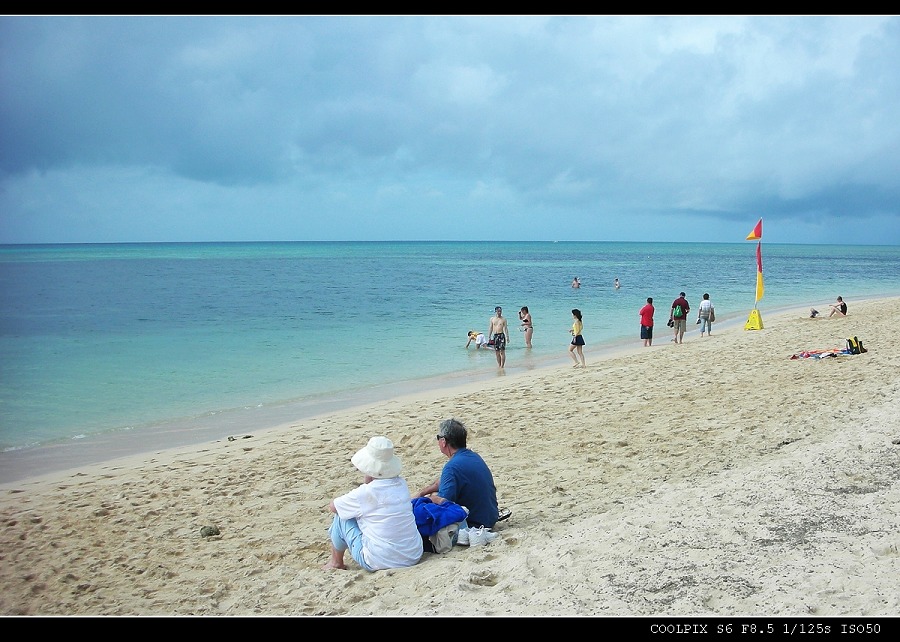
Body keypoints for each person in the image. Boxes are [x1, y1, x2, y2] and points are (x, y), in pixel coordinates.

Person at [324, 436, 424, 572]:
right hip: (413, 555)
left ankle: (336, 562)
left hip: (379, 560)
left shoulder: (366, 492)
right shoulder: (401, 484)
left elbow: (334, 507)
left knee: (341, 518)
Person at [414, 418, 500, 530]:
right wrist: (422, 492)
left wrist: (421, 500)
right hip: (490, 516)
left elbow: (443, 502)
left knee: (423, 509)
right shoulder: (473, 457)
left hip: (475, 522)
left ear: (444, 442)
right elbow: (442, 482)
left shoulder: (451, 467)